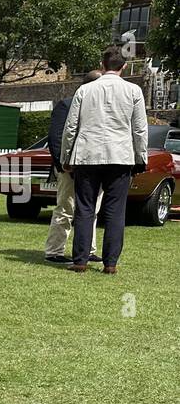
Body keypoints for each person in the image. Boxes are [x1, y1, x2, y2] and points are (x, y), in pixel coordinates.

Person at [61, 45, 148, 275]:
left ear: (102, 65)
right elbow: (139, 130)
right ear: (125, 66)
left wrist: (66, 156)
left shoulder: (84, 91)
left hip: (87, 155)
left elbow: (70, 127)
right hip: (120, 156)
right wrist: (141, 158)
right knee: (115, 211)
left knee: (85, 208)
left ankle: (80, 260)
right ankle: (110, 263)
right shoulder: (134, 91)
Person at [44, 71, 102, 264]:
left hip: (93, 166)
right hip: (69, 168)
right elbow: (56, 137)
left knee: (92, 210)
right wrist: (63, 165)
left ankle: (89, 249)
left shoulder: (99, 107)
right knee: (65, 208)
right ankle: (54, 251)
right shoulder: (66, 105)